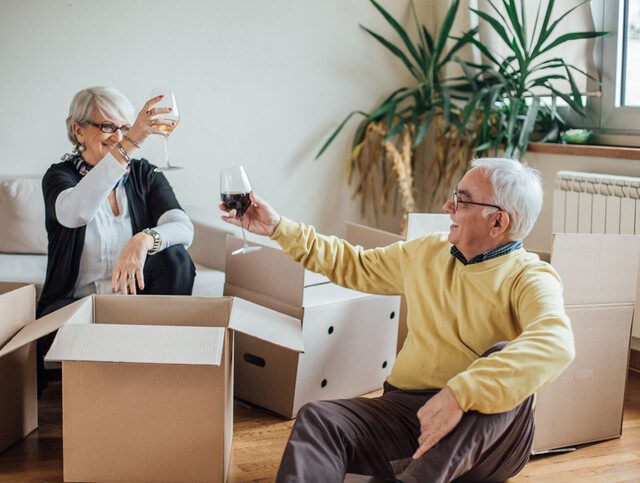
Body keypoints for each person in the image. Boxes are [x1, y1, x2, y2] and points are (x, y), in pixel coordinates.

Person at [220, 157, 575, 483]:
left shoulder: (530, 277)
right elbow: (353, 263)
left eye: (462, 201)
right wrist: (279, 227)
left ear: (498, 221)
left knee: (504, 364)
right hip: (407, 413)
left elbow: (555, 342)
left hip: (487, 438)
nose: (447, 207)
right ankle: (412, 469)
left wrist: (461, 394)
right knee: (319, 419)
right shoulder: (427, 252)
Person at [37, 86, 196, 395]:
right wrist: (131, 142)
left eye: (125, 127)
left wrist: (145, 239)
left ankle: (160, 376)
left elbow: (183, 227)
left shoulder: (143, 175)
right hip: (76, 307)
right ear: (78, 130)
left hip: (136, 307)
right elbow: (76, 214)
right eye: (108, 126)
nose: (119, 136)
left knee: (175, 257)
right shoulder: (59, 178)